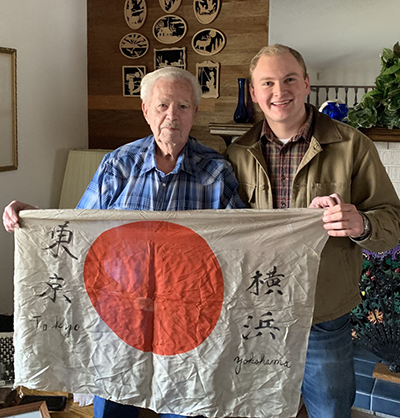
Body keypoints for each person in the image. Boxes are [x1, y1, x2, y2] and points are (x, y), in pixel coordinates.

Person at [3, 67, 245, 418]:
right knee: (115, 407)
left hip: (188, 318)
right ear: (146, 111)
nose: (171, 116)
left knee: (189, 406)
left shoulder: (216, 172)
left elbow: (240, 243)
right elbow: (81, 227)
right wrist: (34, 219)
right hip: (121, 315)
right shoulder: (119, 164)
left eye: (182, 106)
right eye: (162, 105)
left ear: (195, 111)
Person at [225, 44, 400, 418]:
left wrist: (362, 224)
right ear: (254, 93)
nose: (279, 91)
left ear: (306, 84)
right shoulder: (237, 153)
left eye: (289, 79)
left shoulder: (353, 146)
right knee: (259, 406)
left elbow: (392, 222)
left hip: (324, 315)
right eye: (267, 83)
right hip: (258, 311)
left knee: (330, 409)